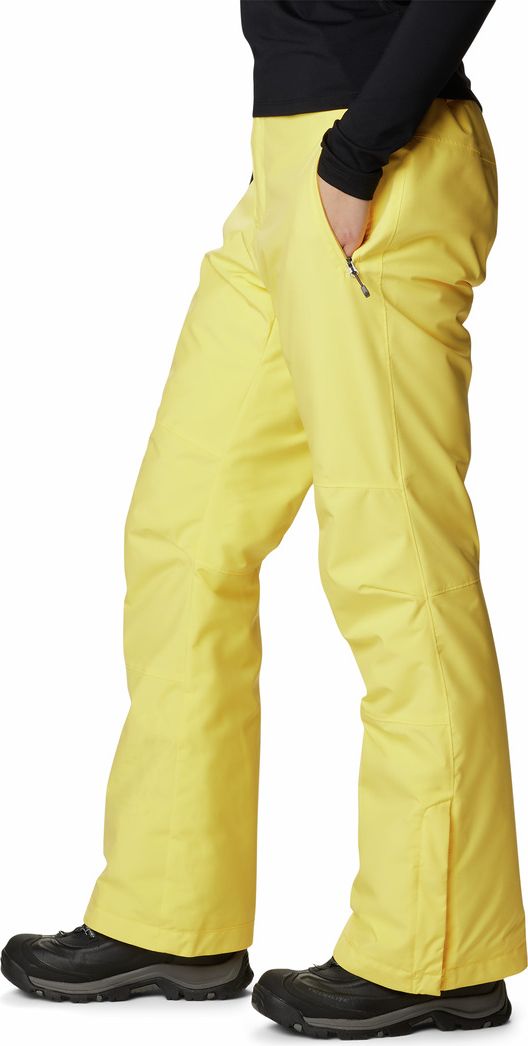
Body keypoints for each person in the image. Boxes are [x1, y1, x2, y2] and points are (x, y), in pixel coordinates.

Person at [2, 0, 526, 1037]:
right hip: (292, 170)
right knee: (185, 531)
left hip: (378, 162)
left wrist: (359, 151)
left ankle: (436, 950)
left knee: (394, 559)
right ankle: (173, 914)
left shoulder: (364, 153)